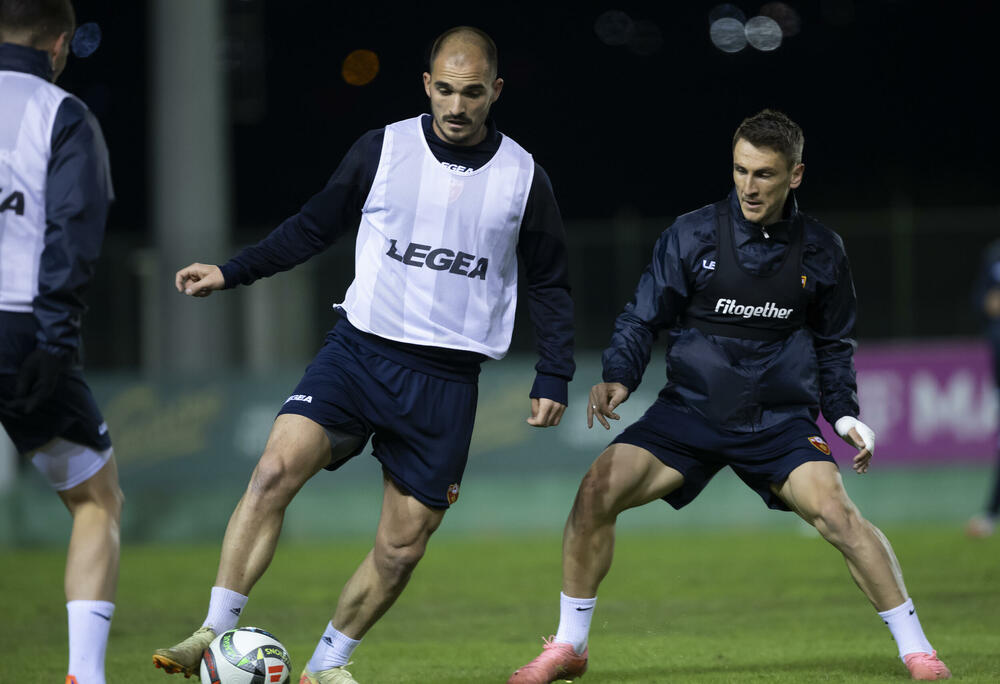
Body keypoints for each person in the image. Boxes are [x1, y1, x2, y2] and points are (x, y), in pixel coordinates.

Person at [151, 26, 574, 684]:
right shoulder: (384, 149)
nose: (456, 106)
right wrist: (232, 272)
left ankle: (327, 665)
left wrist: (555, 371)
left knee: (402, 548)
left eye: (471, 93)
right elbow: (312, 227)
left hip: (445, 380)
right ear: (426, 84)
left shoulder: (523, 177)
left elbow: (549, 281)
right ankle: (213, 630)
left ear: (495, 91)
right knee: (274, 470)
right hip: (359, 353)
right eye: (445, 90)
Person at [507, 110, 951, 682]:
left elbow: (834, 343)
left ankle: (918, 651)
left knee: (839, 515)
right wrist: (620, 376)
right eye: (740, 170)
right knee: (595, 491)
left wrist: (843, 415)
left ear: (795, 175)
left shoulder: (822, 250)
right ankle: (570, 646)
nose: (749, 186)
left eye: (764, 173)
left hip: (778, 421)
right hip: (690, 413)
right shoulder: (692, 234)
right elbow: (642, 317)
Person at [0, 2, 122, 684]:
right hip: (18, 328)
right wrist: (54, 341)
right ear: (60, 43)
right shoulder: (62, 114)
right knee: (96, 498)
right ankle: (84, 675)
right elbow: (72, 232)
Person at [966, 238, 1000, 537]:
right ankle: (990, 514)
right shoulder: (994, 256)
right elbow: (979, 300)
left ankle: (990, 514)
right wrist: (988, 303)